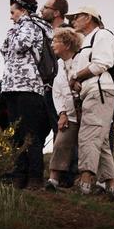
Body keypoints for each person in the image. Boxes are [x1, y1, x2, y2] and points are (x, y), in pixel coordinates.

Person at [65, 6, 114, 200]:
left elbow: (102, 64)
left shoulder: (103, 35)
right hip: (91, 93)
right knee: (101, 139)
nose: (72, 20)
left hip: (100, 91)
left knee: (88, 135)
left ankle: (85, 179)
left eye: (76, 17)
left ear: (89, 18)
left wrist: (76, 77)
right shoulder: (85, 42)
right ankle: (113, 186)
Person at [0, 0, 53, 190]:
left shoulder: (31, 25)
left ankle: (35, 177)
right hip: (12, 85)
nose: (10, 16)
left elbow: (18, 45)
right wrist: (13, 33)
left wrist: (15, 30)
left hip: (30, 86)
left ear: (22, 10)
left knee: (31, 133)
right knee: (17, 134)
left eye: (13, 12)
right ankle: (19, 175)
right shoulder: (18, 27)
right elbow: (4, 49)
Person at [45, 28, 84, 191]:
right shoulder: (58, 65)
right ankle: (53, 180)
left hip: (86, 111)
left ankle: (90, 179)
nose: (52, 44)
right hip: (68, 113)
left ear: (67, 45)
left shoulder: (82, 60)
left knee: (87, 145)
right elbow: (57, 92)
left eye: (56, 41)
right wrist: (62, 113)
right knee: (61, 142)